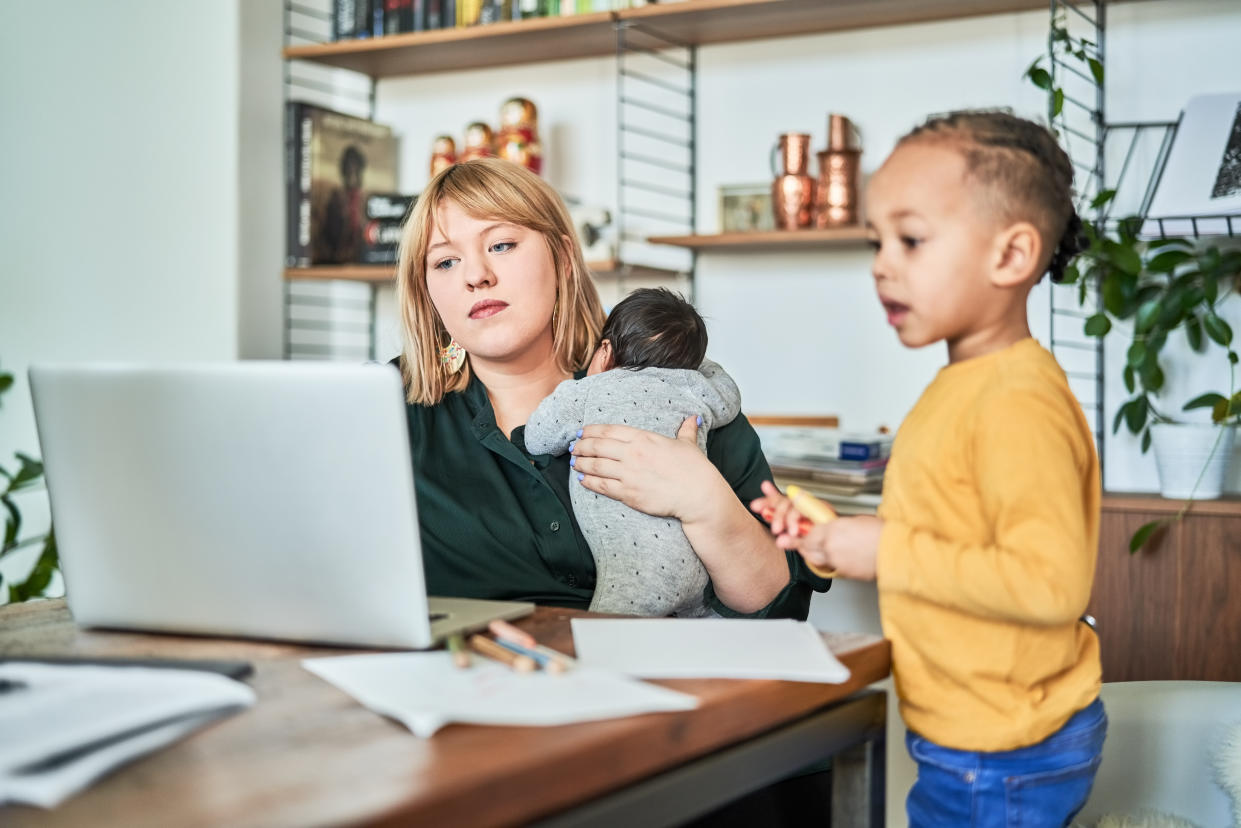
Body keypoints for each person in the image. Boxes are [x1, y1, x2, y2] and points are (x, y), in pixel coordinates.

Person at [752, 110, 1107, 825]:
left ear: (1009, 257)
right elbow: (950, 530)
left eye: (911, 240)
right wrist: (840, 537)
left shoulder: (1017, 401)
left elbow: (1050, 584)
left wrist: (886, 549)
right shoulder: (965, 384)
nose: (883, 263)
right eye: (877, 241)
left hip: (1004, 749)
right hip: (975, 734)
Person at [392, 157, 832, 620]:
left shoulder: (674, 382)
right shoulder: (385, 409)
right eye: (445, 261)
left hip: (654, 680)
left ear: (562, 258)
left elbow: (782, 611)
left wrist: (705, 502)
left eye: (501, 245)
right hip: (467, 678)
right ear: (426, 290)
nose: (475, 275)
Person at [524, 287, 741, 618]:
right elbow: (730, 396)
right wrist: (688, 360)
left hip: (635, 564)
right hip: (698, 562)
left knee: (607, 635)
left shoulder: (591, 390)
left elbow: (537, 439)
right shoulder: (695, 388)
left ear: (605, 351)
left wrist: (572, 387)